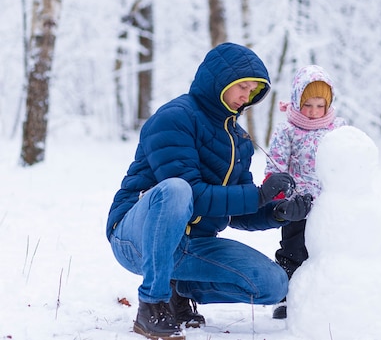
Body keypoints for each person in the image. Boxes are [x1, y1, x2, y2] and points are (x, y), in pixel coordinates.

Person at [106, 42, 313, 340]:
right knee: (177, 190)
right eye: (242, 85)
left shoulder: (238, 140)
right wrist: (259, 194)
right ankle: (153, 304)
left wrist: (278, 212)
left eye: (253, 90)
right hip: (136, 238)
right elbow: (191, 194)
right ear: (219, 80)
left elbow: (236, 212)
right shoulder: (175, 118)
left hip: (194, 244)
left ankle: (179, 290)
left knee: (273, 284)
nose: (247, 95)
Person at [264, 65, 347, 319]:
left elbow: (346, 161)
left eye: (319, 105)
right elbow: (276, 164)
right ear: (297, 101)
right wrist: (282, 196)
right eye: (307, 105)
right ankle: (287, 297)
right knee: (293, 249)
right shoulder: (287, 130)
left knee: (326, 249)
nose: (313, 112)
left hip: (328, 204)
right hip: (297, 204)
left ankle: (327, 294)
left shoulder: (337, 129)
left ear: (328, 104)